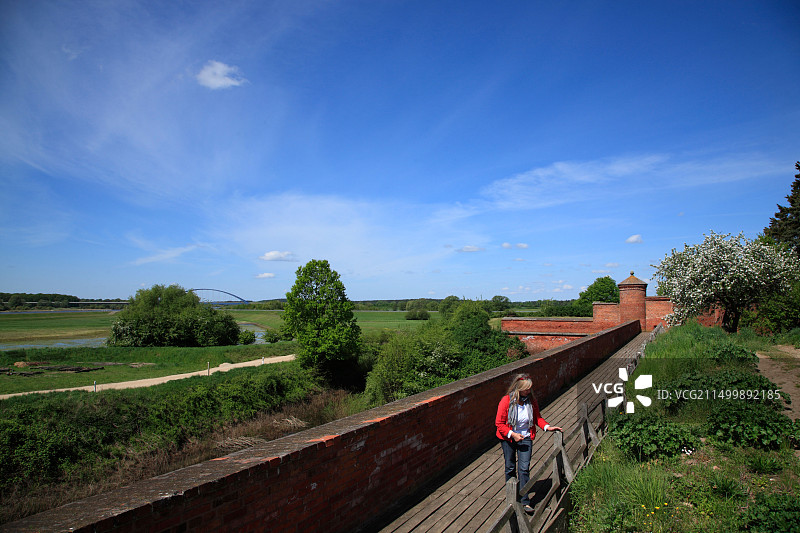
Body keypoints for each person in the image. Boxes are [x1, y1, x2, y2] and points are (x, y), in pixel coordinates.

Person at [495, 373, 562, 513]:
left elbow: (537, 418)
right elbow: (499, 424)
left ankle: (525, 501)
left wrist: (548, 427)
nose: (529, 391)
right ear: (518, 388)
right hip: (508, 438)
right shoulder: (506, 401)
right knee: (510, 467)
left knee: (524, 468)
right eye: (526, 389)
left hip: (525, 437)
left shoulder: (531, 401)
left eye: (530, 388)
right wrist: (512, 434)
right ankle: (512, 498)